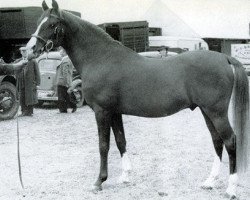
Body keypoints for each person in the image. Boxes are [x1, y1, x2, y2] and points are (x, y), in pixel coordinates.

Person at [17, 47, 41, 116]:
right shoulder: (20, 60)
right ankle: (23, 111)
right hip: (22, 82)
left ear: (27, 52)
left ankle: (30, 112)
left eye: (25, 51)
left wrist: (38, 83)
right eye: (22, 51)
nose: (23, 53)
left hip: (30, 83)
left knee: (30, 97)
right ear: (21, 52)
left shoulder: (33, 61)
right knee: (22, 97)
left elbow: (37, 72)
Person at [55, 47, 77, 113]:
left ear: (64, 52)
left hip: (63, 82)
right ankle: (70, 107)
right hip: (64, 81)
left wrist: (66, 83)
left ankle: (63, 109)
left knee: (62, 97)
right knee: (66, 96)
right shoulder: (66, 60)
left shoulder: (65, 61)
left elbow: (65, 73)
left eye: (61, 52)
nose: (60, 53)